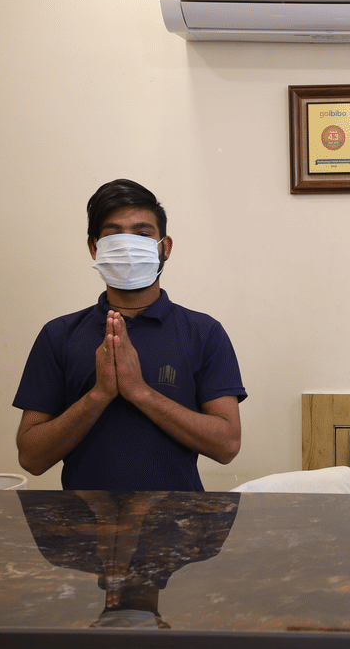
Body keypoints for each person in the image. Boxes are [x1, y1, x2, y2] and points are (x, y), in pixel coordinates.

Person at [14, 179, 245, 491]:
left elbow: (227, 445)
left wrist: (140, 392)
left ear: (166, 246)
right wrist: (99, 395)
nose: (127, 245)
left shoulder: (204, 333)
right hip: (84, 530)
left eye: (142, 233)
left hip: (179, 529)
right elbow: (31, 457)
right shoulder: (59, 335)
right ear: (94, 248)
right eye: (113, 235)